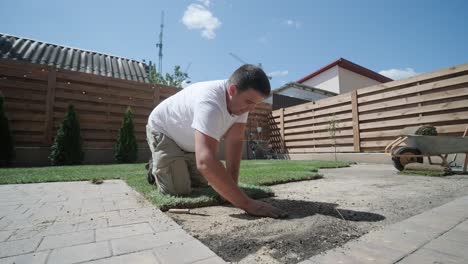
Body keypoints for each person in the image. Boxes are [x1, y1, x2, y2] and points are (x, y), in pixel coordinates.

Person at [146, 64, 287, 218]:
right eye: (249, 102)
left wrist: (232, 188)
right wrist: (247, 204)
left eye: (255, 104)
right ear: (232, 90)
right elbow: (205, 162)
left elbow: (235, 141)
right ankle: (155, 166)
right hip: (166, 132)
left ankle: (177, 163)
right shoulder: (210, 102)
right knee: (180, 190)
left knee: (204, 184)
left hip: (190, 141)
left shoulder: (241, 103)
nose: (251, 109)